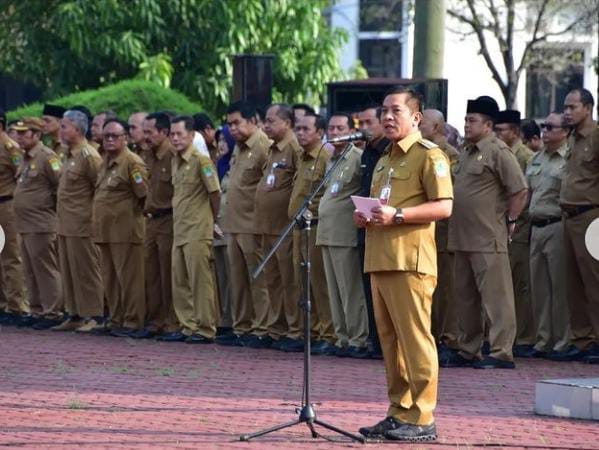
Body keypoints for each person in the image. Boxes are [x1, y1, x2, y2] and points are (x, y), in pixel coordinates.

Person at [355, 87, 453, 442]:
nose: (387, 117)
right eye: (384, 111)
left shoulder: (430, 155)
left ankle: (423, 416)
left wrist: (398, 215)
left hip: (410, 262)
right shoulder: (384, 158)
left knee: (415, 341)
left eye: (396, 110)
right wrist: (367, 216)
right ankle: (399, 412)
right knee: (390, 342)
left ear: (416, 117)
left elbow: (444, 207)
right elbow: (385, 205)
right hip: (379, 258)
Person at [444, 97, 528, 369]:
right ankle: (469, 349)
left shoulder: (498, 151)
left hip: (487, 236)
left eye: (472, 121)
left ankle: (502, 351)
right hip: (462, 237)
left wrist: (511, 220)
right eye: (466, 120)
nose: (466, 125)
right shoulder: (467, 151)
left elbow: (519, 189)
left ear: (489, 125)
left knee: (496, 298)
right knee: (465, 298)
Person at [218, 101, 271, 347]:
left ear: (253, 121)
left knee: (257, 279)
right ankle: (242, 327)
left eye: (237, 123)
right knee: (237, 281)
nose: (232, 129)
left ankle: (262, 328)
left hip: (252, 224)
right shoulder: (238, 148)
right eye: (229, 124)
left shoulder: (263, 146)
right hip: (233, 224)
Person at [316, 112, 368, 357]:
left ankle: (358, 338)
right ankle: (342, 337)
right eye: (332, 128)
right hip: (326, 232)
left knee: (350, 289)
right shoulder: (330, 159)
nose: (335, 133)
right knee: (334, 290)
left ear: (351, 131)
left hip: (344, 233)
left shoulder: (357, 158)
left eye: (340, 128)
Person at [93, 118, 147, 337]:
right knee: (111, 279)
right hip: (105, 232)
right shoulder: (104, 162)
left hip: (125, 232)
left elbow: (143, 195)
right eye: (106, 136)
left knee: (129, 280)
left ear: (126, 138)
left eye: (115, 136)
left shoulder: (132, 163)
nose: (110, 140)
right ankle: (116, 319)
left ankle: (132, 321)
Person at [255, 103, 303, 351]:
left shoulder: (294, 148)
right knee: (271, 280)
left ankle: (295, 330)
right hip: (267, 227)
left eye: (271, 120)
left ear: (287, 123)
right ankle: (276, 328)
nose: (266, 125)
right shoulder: (272, 149)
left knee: (289, 281)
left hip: (284, 228)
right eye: (266, 120)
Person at [169, 116, 221, 343]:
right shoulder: (176, 160)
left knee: (200, 281)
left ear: (192, 136)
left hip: (198, 229)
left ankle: (205, 328)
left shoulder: (202, 161)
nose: (175, 138)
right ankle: (188, 326)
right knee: (180, 279)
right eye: (172, 134)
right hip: (180, 228)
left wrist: (213, 220)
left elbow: (215, 193)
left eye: (180, 134)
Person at [53, 110, 104, 333]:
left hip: (83, 224)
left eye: (64, 126)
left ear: (77, 128)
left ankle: (94, 315)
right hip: (65, 223)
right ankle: (74, 313)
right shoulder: (68, 154)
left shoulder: (89, 155)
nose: (60, 130)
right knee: (70, 271)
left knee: (86, 271)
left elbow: (99, 189)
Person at [558, 88, 599, 364]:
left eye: (573, 107)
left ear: (588, 108)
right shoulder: (572, 138)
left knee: (595, 282)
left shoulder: (596, 137)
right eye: (566, 107)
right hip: (569, 217)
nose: (567, 112)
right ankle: (583, 340)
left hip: (591, 216)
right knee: (573, 283)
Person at [524, 112, 570, 358]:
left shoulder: (569, 158)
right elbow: (527, 194)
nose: (545, 131)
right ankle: (543, 341)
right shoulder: (536, 159)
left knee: (559, 286)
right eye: (544, 127)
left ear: (565, 132)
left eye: (551, 127)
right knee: (539, 287)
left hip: (557, 226)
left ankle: (562, 342)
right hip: (536, 227)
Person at [290, 113, 336, 355]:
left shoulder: (325, 156)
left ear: (319, 132)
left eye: (306, 129)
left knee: (319, 283)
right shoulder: (301, 156)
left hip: (316, 226)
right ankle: (312, 331)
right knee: (304, 283)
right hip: (298, 227)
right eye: (297, 128)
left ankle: (327, 333)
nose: (300, 133)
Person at [12, 117, 63, 329]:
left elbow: (60, 185)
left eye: (25, 134)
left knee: (45, 269)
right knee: (30, 269)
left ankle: (52, 312)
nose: (19, 137)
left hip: (41, 223)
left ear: (37, 135)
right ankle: (36, 309)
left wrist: (47, 207)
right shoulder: (25, 157)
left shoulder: (47, 157)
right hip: (25, 224)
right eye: (18, 133)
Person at [495, 109, 535, 356]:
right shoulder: (501, 153)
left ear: (516, 132)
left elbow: (525, 193)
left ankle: (524, 338)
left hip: (519, 225)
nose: (498, 134)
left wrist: (513, 219)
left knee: (519, 284)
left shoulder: (526, 157)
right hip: (501, 224)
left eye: (502, 130)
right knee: (505, 282)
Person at [419, 108, 460, 355]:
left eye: (422, 124)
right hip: (425, 230)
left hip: (443, 230)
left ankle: (448, 337)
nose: (418, 127)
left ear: (436, 127)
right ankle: (433, 334)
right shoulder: (420, 151)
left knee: (446, 287)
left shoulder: (448, 155)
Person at [140, 112, 179, 340]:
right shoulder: (147, 155)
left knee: (167, 272)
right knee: (151, 273)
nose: (145, 137)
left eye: (149, 132)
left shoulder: (173, 156)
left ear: (163, 133)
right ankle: (156, 321)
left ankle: (172, 322)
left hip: (168, 218)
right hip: (151, 219)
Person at [356, 105, 389, 359]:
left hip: (388, 227)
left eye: (369, 122)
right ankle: (375, 340)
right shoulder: (365, 153)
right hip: (366, 226)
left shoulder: (388, 151)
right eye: (361, 123)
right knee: (369, 288)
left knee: (386, 291)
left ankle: (386, 343)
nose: (364, 128)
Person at [0, 108, 27, 324]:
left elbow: (20, 176)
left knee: (11, 256)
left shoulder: (11, 147)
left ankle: (17, 306)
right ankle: (3, 302)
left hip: (7, 205)